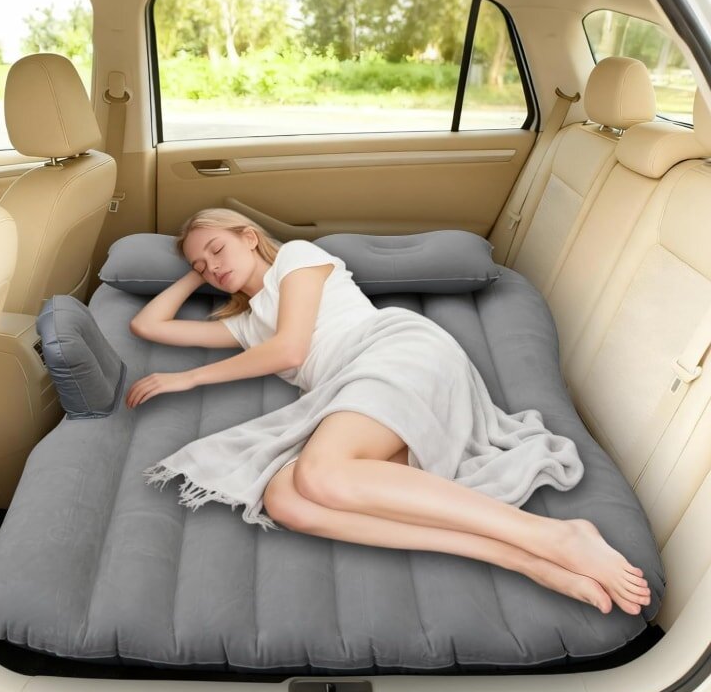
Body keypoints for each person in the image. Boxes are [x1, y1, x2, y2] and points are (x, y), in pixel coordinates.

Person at [126, 207, 652, 617]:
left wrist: (187, 377)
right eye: (201, 264)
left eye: (218, 249)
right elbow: (148, 327)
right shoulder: (244, 327)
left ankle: (556, 537)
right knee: (285, 499)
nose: (213, 266)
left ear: (248, 234)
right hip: (353, 388)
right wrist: (196, 272)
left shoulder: (298, 259)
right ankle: (522, 559)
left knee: (320, 474)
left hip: (396, 352)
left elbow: (288, 351)